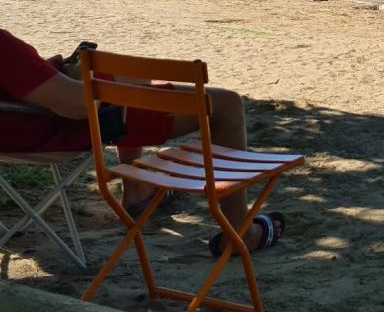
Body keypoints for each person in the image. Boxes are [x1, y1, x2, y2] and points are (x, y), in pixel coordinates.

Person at [0, 28, 286, 253]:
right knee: (225, 104)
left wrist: (44, 72)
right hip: (64, 130)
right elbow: (78, 105)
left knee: (125, 73)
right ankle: (241, 234)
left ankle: (136, 190)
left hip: (16, 133)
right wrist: (106, 82)